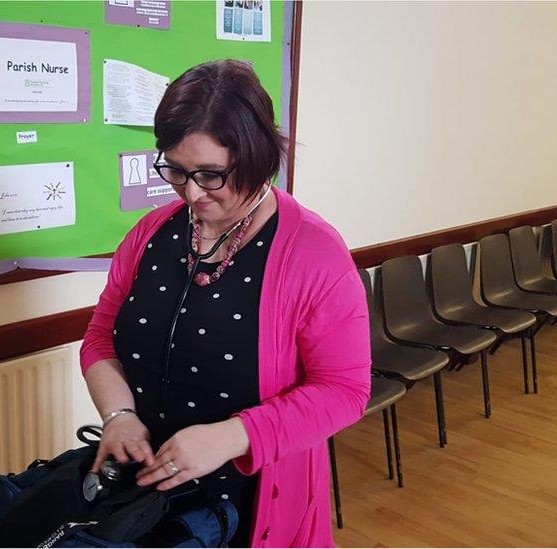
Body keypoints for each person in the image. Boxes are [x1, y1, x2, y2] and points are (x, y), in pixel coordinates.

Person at [80, 59, 371, 547]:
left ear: (257, 156)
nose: (191, 192)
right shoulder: (152, 232)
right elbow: (101, 335)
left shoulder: (314, 252)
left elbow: (344, 390)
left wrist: (231, 436)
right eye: (175, 169)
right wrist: (119, 416)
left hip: (251, 499)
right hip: (149, 496)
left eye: (211, 175)